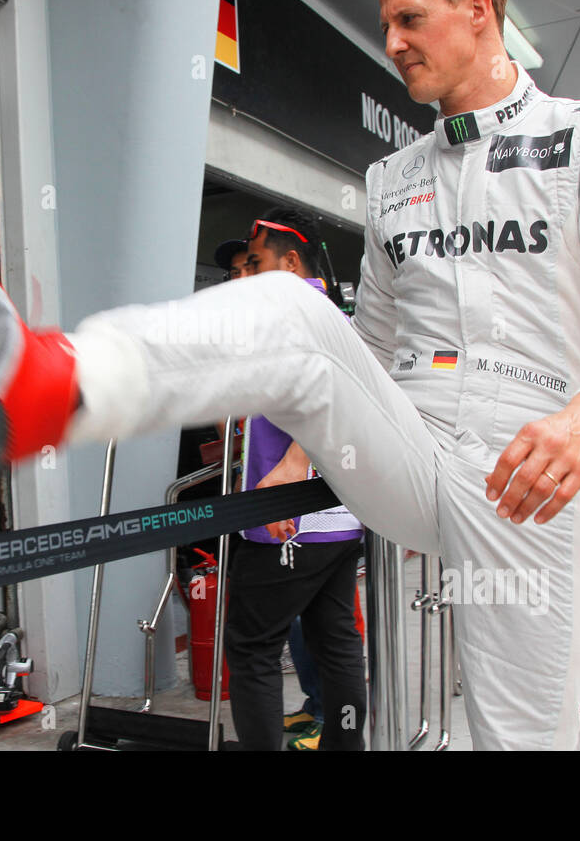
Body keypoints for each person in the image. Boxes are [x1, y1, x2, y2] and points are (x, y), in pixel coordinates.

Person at [0, 0, 580, 750]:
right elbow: (366, 349)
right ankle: (36, 388)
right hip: (412, 447)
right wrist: (307, 450)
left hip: (530, 471)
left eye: (410, 20)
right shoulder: (394, 178)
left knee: (520, 741)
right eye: (386, 22)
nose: (391, 42)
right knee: (291, 303)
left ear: (479, 10)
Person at [220, 207, 367, 752]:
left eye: (255, 263)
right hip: (336, 516)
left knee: (253, 647)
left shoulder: (293, 314)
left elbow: (333, 391)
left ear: (291, 260)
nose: (247, 274)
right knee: (337, 642)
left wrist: (294, 461)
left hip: (290, 517)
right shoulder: (332, 313)